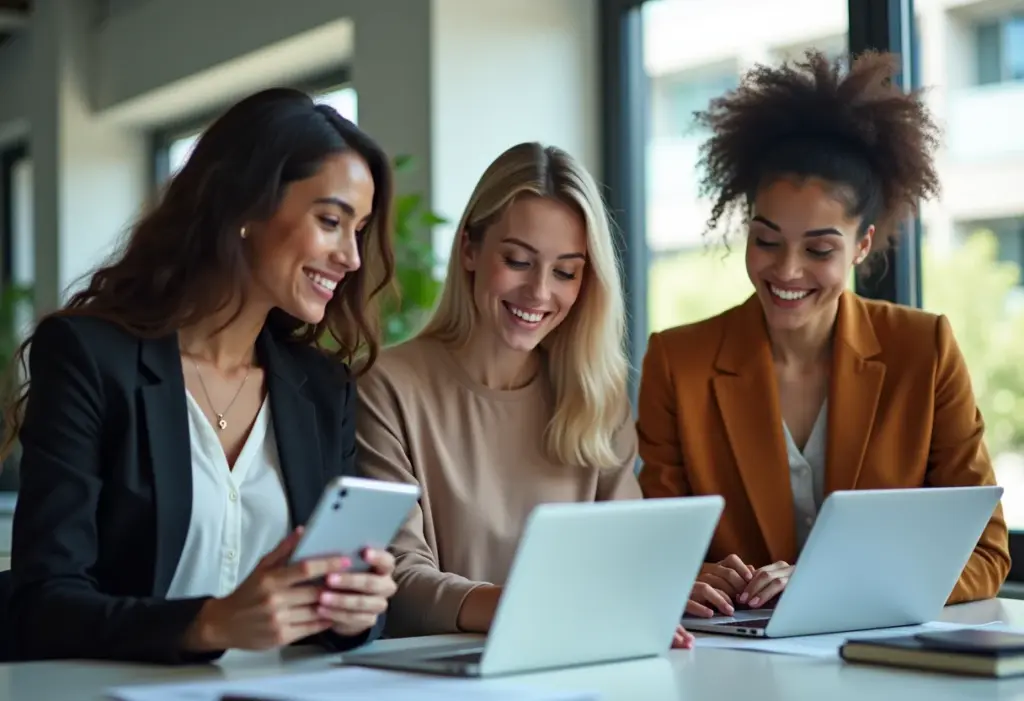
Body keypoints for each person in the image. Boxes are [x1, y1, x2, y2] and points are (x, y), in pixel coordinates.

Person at [3, 88, 400, 663]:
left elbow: (340, 604)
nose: (352, 257)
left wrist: (354, 610)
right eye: (331, 221)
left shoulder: (321, 388)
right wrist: (209, 624)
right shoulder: (90, 358)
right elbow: (42, 603)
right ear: (245, 207)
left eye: (358, 230)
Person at [636, 50, 1011, 617]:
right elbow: (657, 549)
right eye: (766, 241)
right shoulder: (677, 361)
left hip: (880, 651)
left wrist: (837, 583)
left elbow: (985, 552)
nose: (787, 270)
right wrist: (684, 575)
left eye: (818, 249)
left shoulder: (924, 350)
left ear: (862, 245)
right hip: (731, 652)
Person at [356, 142, 693, 648]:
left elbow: (628, 563)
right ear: (469, 249)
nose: (539, 292)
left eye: (565, 272)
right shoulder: (385, 385)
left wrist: (660, 593)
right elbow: (394, 577)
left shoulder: (595, 399)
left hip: (573, 661)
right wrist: (535, 607)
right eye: (518, 261)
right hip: (436, 674)